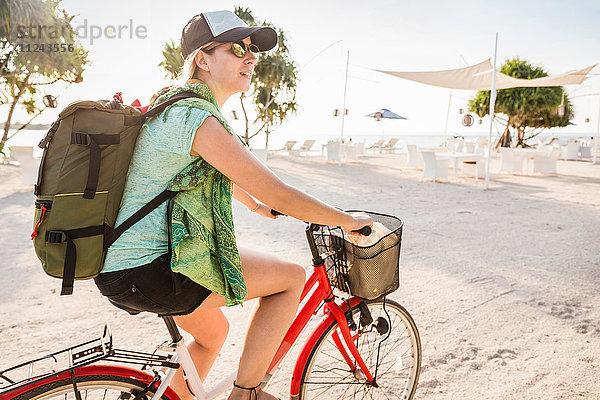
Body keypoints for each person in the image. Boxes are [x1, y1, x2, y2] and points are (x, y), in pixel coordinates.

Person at [94, 10, 372, 400]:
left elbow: (200, 171)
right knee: (290, 278)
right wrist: (347, 220)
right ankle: (248, 393)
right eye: (238, 48)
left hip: (122, 265)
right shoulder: (196, 118)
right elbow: (282, 194)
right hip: (153, 267)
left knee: (215, 335)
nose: (251, 57)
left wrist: (256, 207)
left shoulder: (171, 106)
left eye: (254, 50)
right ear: (202, 59)